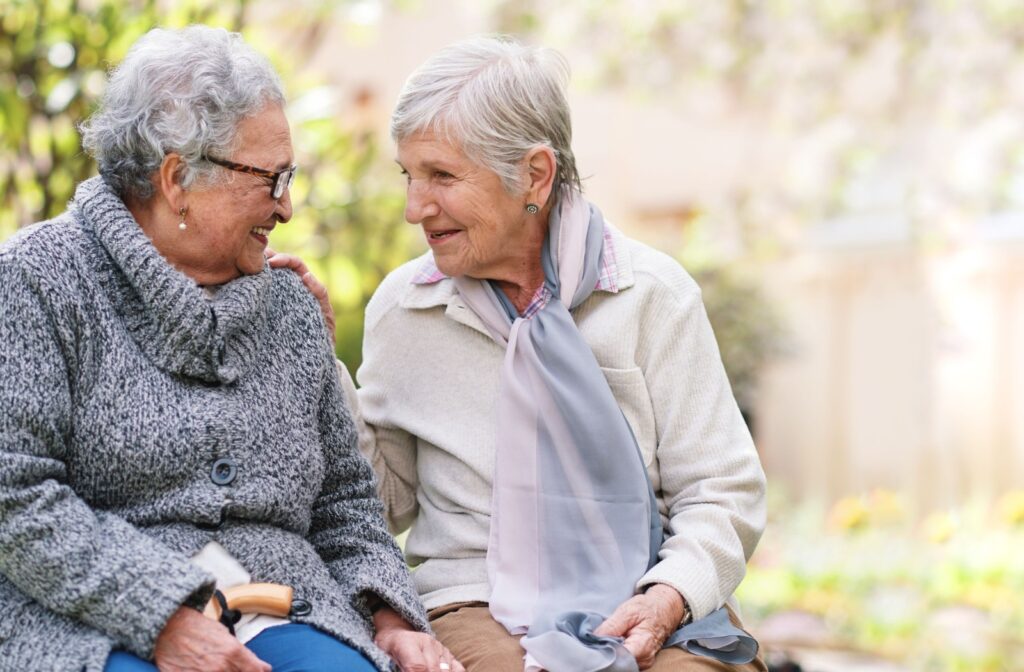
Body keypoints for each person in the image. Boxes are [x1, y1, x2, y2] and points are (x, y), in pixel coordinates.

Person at [278, 36, 769, 672]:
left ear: (533, 175)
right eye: (409, 175)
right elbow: (382, 502)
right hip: (472, 599)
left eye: (442, 176)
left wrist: (668, 597)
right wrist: (320, 365)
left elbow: (720, 490)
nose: (413, 208)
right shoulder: (405, 309)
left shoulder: (652, 296)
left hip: (648, 590)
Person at [0, 26, 461, 672]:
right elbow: (15, 497)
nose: (288, 208)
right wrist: (160, 615)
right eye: (270, 180)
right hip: (90, 617)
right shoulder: (34, 283)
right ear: (177, 179)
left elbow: (344, 502)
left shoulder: (289, 305)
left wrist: (391, 619)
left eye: (290, 178)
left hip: (285, 605)